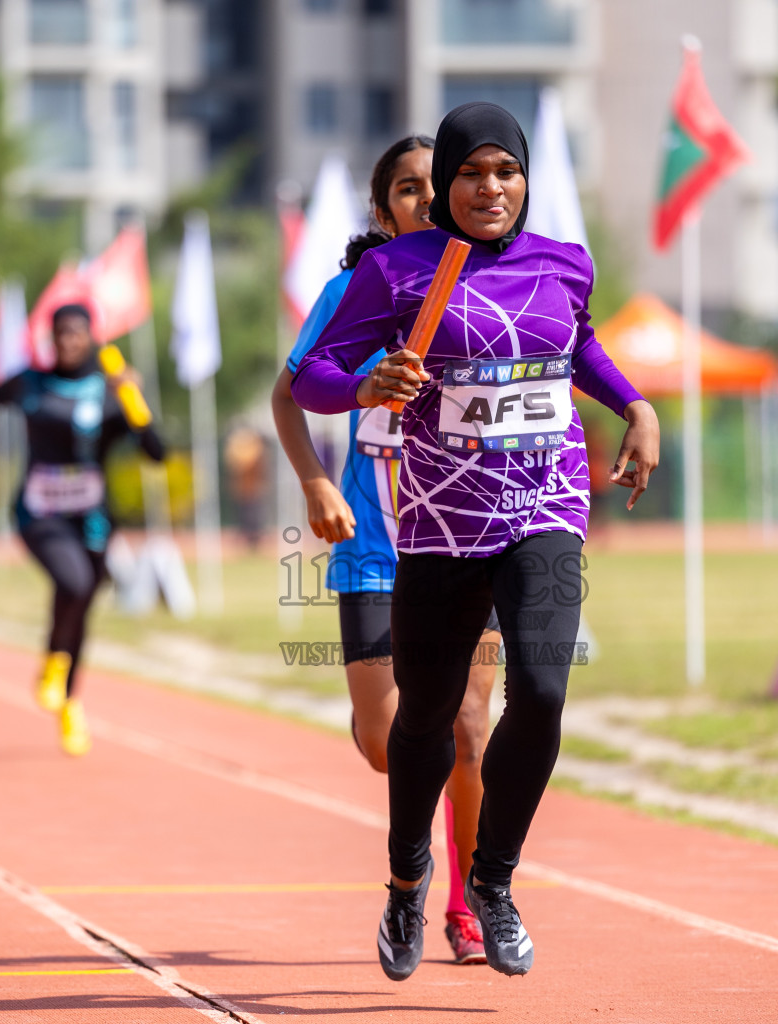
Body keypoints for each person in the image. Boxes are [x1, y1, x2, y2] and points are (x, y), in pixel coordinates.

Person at [293, 103, 659, 979]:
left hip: (545, 508)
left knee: (540, 693)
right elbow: (310, 376)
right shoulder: (394, 271)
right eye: (470, 174)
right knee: (424, 719)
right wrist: (363, 384)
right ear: (446, 184)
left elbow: (580, 350)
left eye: (505, 172)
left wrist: (636, 405)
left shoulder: (565, 264)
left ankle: (491, 884)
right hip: (438, 525)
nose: (488, 189)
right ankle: (404, 878)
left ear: (525, 180)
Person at [271, 133, 499, 966]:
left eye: (436, 188)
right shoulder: (353, 292)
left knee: (472, 731)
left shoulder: (492, 286)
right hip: (374, 551)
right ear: (382, 209)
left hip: (471, 541)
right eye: (408, 190)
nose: (427, 201)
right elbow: (289, 393)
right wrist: (315, 485)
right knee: (389, 744)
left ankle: (468, 899)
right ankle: (419, 841)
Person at [0, 303, 165, 757]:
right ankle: (55, 663)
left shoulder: (108, 390)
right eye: (60, 333)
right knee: (74, 581)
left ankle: (69, 700)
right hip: (39, 512)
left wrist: (133, 401)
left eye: (77, 333)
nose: (68, 341)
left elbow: (156, 452)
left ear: (91, 337)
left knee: (81, 599)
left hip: (92, 516)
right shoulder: (30, 383)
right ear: (50, 338)